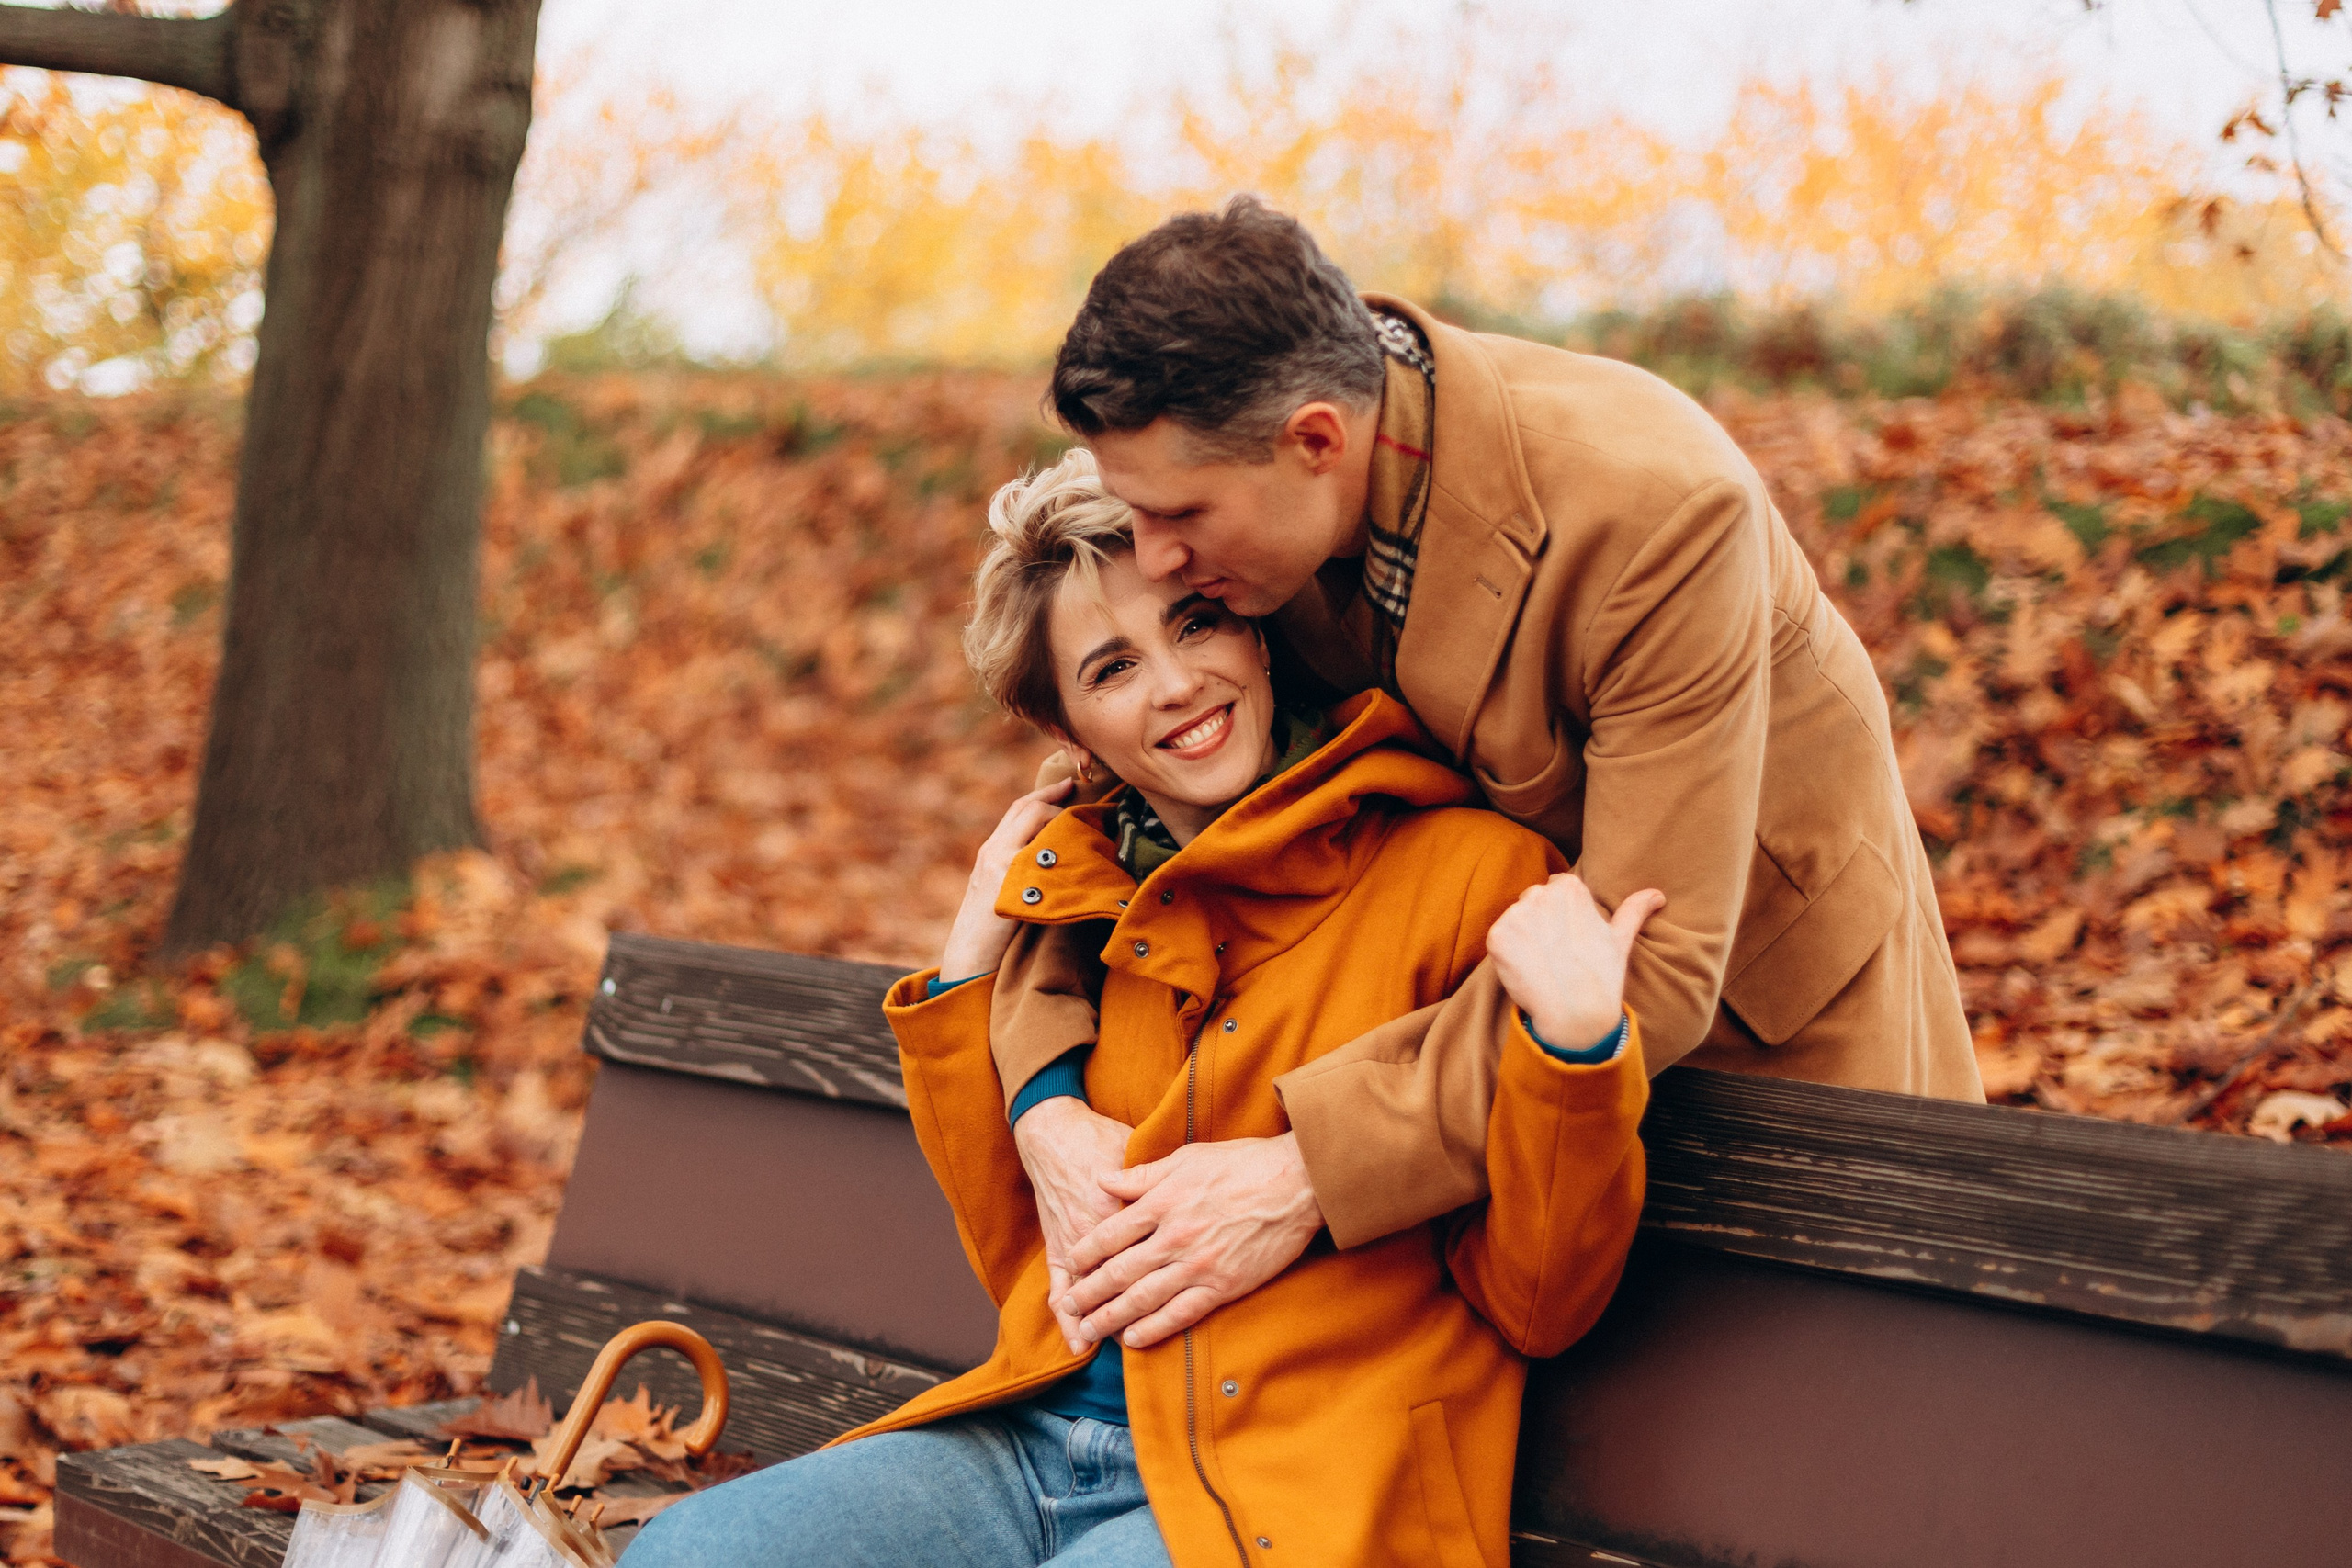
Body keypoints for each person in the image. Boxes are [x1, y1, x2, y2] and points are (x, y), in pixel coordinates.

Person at [624, 450, 1655, 1567]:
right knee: (691, 1555)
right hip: (1027, 1444)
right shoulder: (1076, 923)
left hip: (1286, 1480)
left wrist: (1580, 1051)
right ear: (1071, 731)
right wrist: (973, 974)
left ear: (1259, 635)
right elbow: (1028, 1259)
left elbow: (1539, 1301)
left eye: (1198, 623)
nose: (1175, 685)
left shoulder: (1467, 875)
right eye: (1113, 668)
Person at [1000, 196, 1984, 1363]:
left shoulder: (1654, 514)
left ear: (1316, 440)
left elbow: (1648, 962)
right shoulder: (1258, 528)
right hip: (1475, 1073)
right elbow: (1114, 840)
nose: (1155, 558)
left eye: (1176, 517)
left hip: (1766, 1018)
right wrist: (1043, 1098)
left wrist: (1304, 1168)